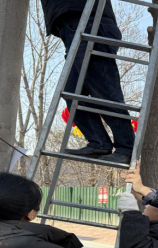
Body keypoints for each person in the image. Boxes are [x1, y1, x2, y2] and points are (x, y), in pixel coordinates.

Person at [41, 0, 136, 164]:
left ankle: (127, 147)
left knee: (104, 91)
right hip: (73, 25)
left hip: (88, 21)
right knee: (71, 92)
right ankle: (99, 142)